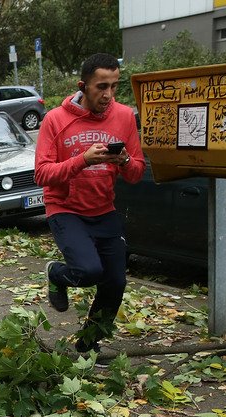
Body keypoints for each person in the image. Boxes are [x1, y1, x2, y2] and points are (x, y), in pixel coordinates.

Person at [34, 52, 144, 356]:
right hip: (65, 208)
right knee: (88, 269)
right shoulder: (55, 120)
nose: (108, 95)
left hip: (103, 209)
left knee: (115, 282)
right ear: (83, 86)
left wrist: (122, 159)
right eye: (101, 87)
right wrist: (82, 160)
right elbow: (42, 173)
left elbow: (136, 172)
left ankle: (88, 344)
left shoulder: (123, 117)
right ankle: (57, 274)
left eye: (114, 86)